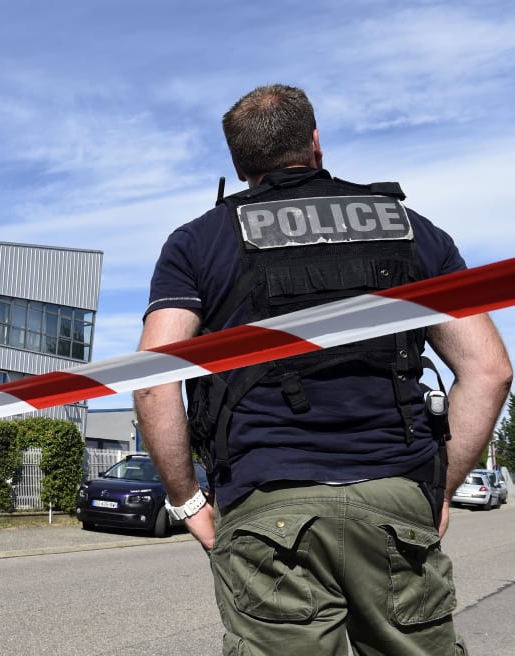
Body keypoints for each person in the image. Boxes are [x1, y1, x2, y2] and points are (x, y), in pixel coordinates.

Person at [133, 84, 512, 655]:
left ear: (239, 164)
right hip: (395, 495)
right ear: (315, 142)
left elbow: (155, 376)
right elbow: (489, 369)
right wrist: (438, 489)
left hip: (267, 503)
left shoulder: (199, 242)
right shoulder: (408, 229)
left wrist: (188, 501)